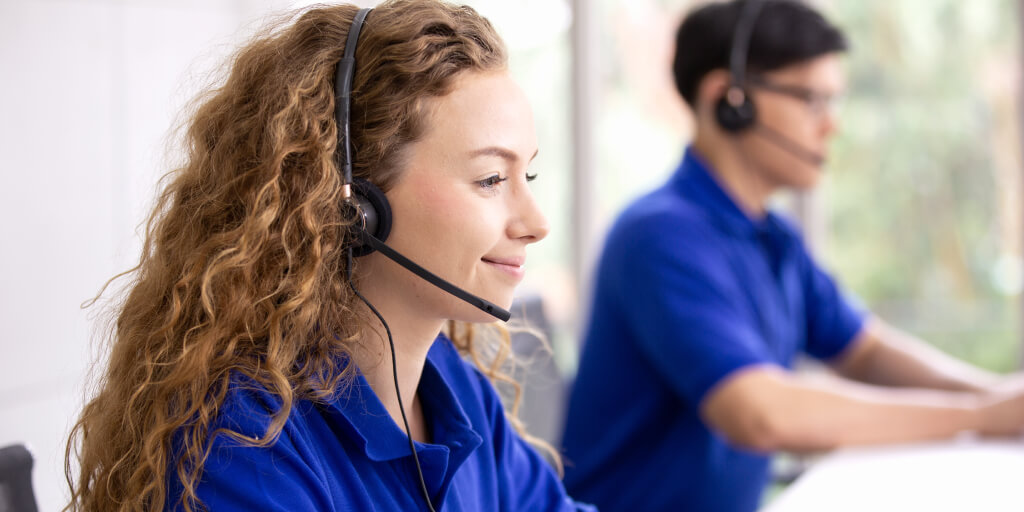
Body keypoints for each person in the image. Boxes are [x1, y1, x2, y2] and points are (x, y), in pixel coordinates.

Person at [64, 2, 595, 511]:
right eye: (491, 179)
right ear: (356, 206)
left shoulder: (454, 387)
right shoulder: (246, 443)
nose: (537, 224)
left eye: (527, 175)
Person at [560, 1, 1024, 511]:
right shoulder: (658, 236)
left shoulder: (773, 236)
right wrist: (980, 415)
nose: (832, 126)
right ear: (728, 99)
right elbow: (760, 413)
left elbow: (865, 352)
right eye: (813, 101)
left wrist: (996, 396)